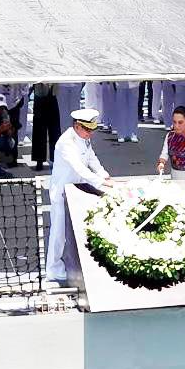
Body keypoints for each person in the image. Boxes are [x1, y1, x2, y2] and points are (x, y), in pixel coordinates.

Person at [46, 109, 113, 284]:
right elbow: (79, 167)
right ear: (77, 126)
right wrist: (101, 182)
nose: (90, 133)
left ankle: (76, 267)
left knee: (78, 230)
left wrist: (104, 174)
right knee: (59, 233)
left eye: (92, 130)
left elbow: (92, 159)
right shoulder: (66, 142)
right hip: (62, 192)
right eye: (87, 129)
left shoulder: (84, 138)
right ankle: (53, 270)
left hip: (77, 190)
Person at [31, 83, 60, 171]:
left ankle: (55, 160)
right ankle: (39, 160)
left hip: (53, 94)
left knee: (55, 131)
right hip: (39, 94)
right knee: (39, 131)